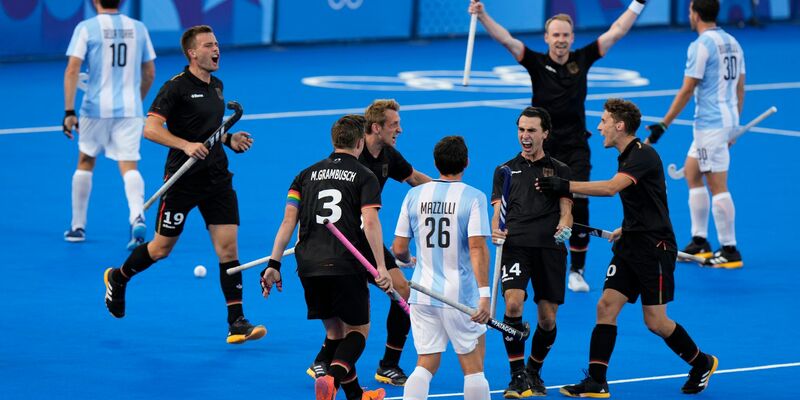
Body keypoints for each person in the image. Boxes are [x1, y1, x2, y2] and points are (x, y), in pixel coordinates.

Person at [535, 98, 718, 397]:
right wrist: (628, 226)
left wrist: (565, 184)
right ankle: (596, 381)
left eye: (604, 121)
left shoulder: (643, 155)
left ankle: (702, 363)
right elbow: (646, 198)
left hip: (654, 248)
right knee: (605, 306)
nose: (599, 126)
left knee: (655, 322)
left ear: (620, 125)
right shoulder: (627, 156)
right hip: (631, 242)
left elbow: (610, 188)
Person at [468, 0, 648, 292]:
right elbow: (506, 40)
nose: (561, 40)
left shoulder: (583, 58)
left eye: (566, 35)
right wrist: (483, 15)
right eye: (556, 35)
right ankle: (536, 255)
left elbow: (616, 31)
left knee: (578, 200)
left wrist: (638, 4)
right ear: (547, 37)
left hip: (576, 146)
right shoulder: (536, 63)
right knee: (538, 201)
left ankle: (577, 270)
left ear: (572, 38)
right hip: (543, 148)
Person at [102, 25, 265, 345]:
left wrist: (229, 139)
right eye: (208, 46)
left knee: (228, 248)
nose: (216, 50)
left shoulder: (217, 86)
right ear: (192, 53)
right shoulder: (174, 88)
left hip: (217, 177)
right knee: (161, 248)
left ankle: (237, 322)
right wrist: (185, 145)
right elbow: (150, 129)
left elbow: (209, 129)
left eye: (217, 44)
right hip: (182, 180)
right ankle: (118, 277)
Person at [259, 114, 391, 400]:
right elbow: (370, 222)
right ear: (360, 143)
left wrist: (273, 264)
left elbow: (287, 223)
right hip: (345, 263)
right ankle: (332, 378)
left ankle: (355, 394)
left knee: (335, 331)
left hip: (308, 264)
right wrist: (381, 267)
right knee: (358, 330)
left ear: (333, 141)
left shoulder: (303, 175)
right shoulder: (364, 176)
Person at [307, 99, 432, 386]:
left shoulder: (389, 154)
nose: (400, 130)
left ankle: (387, 364)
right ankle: (326, 362)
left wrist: (447, 190)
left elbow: (413, 177)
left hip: (365, 239)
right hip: (343, 243)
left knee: (401, 291)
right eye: (394, 125)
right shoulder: (353, 160)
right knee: (350, 317)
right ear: (375, 128)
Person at [645, 0, 744, 269]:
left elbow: (688, 89)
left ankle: (730, 250)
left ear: (696, 14)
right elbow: (740, 88)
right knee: (692, 172)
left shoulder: (700, 46)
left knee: (717, 186)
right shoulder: (733, 41)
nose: (689, 16)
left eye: (690, 12)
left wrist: (663, 125)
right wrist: (734, 123)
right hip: (720, 123)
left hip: (710, 125)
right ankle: (700, 241)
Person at [392, 136, 492, 400]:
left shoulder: (414, 195)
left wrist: (407, 261)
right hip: (461, 298)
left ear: (435, 163)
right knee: (473, 369)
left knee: (425, 363)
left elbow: (399, 247)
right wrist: (485, 295)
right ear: (466, 162)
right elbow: (478, 248)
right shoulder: (474, 197)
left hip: (423, 294)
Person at [492, 107, 573, 398]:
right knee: (513, 306)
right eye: (521, 130)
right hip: (515, 248)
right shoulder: (504, 170)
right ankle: (516, 376)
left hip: (550, 249)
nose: (525, 136)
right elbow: (497, 212)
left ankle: (534, 371)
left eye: (531, 131)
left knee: (547, 320)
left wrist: (565, 227)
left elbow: (567, 211)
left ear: (545, 133)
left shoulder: (560, 170)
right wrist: (496, 231)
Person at [63, 0, 156, 250]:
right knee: (129, 166)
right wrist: (136, 101)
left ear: (95, 2)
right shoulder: (138, 28)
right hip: (129, 111)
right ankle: (137, 216)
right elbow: (149, 73)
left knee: (85, 161)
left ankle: (78, 226)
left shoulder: (86, 27)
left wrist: (69, 111)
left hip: (94, 110)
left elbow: (72, 70)